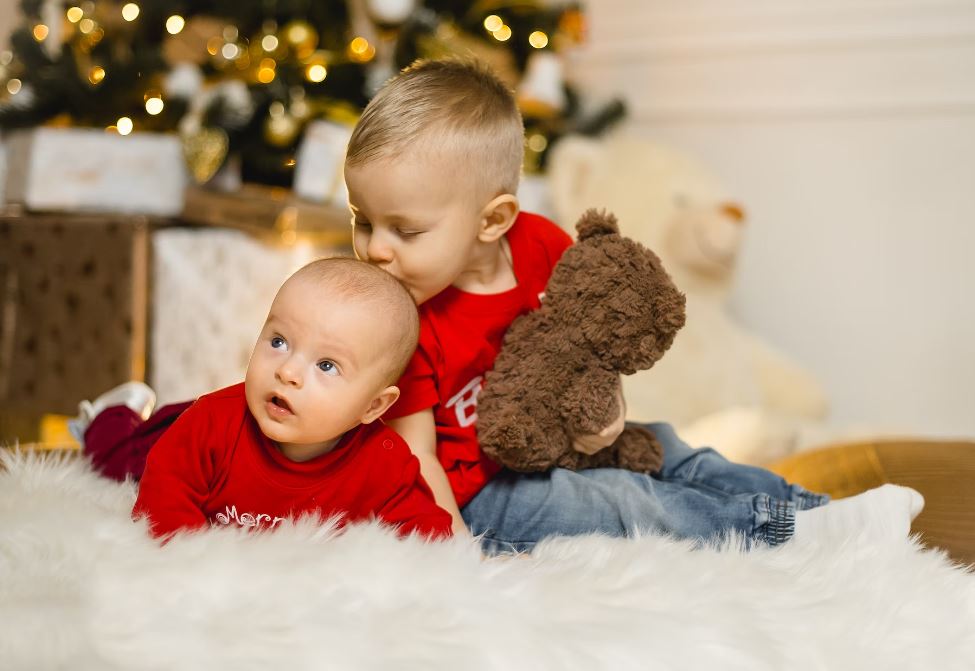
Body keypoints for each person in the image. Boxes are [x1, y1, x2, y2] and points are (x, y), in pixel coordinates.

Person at [78, 58, 922, 554]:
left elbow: (589, 345)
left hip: (553, 436)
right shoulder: (395, 322)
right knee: (613, 509)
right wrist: (456, 558)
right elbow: (415, 466)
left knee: (667, 449)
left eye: (403, 228)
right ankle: (783, 541)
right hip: (481, 493)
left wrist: (603, 423)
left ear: (494, 220)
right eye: (363, 220)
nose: (374, 248)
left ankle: (814, 516)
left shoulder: (544, 249)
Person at [129, 257, 452, 540]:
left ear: (373, 406)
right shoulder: (210, 423)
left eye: (326, 365)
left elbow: (428, 543)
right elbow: (162, 505)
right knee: (120, 451)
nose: (288, 371)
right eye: (280, 342)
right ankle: (113, 414)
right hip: (163, 434)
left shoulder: (384, 464)